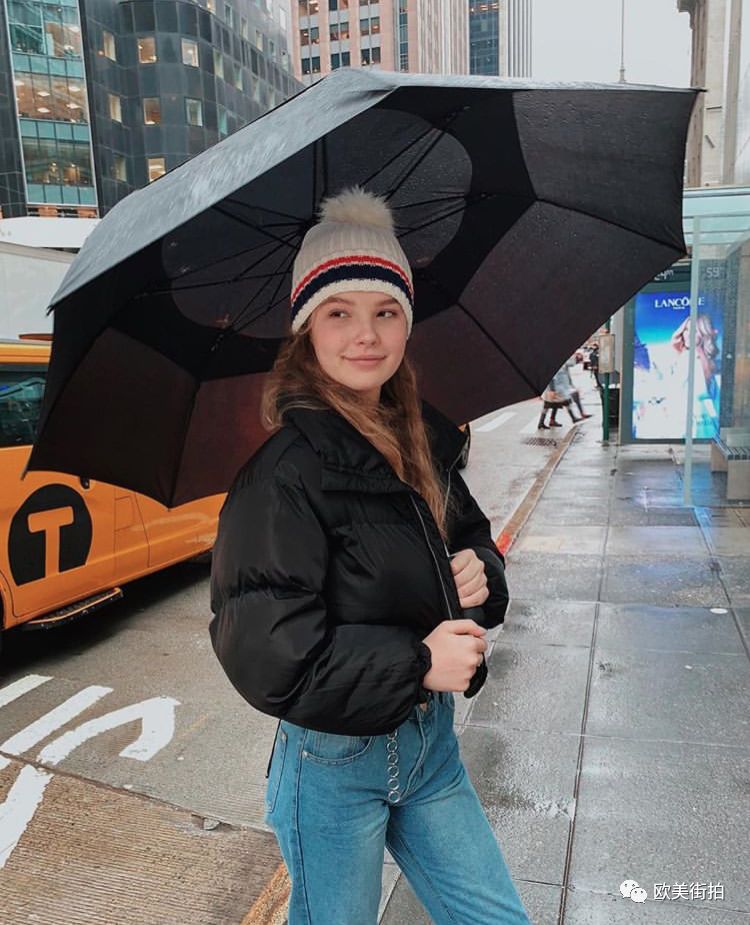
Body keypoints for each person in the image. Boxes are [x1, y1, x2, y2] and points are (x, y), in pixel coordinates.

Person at [209, 187, 530, 925]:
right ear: (306, 330)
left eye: (386, 311)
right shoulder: (281, 477)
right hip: (331, 769)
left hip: (429, 747)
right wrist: (416, 662)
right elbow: (268, 655)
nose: (366, 334)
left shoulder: (423, 442)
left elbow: (471, 540)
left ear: (407, 323)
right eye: (339, 312)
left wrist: (480, 572)